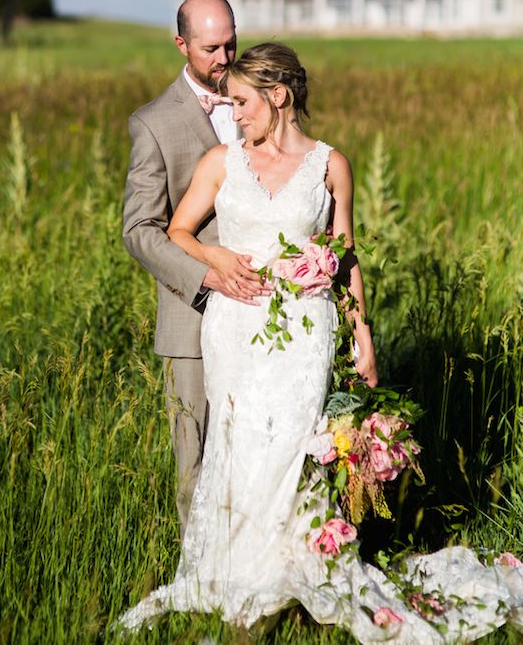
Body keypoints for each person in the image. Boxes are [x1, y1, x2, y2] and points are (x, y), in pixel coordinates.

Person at [117, 44, 523, 641]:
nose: (235, 114)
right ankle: (235, 572)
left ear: (278, 96)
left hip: (307, 330)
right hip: (235, 324)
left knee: (294, 449)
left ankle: (296, 567)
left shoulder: (331, 165)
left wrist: (363, 335)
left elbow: (345, 256)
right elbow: (177, 229)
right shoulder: (219, 161)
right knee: (241, 444)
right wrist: (215, 255)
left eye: (243, 102)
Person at [122, 0, 263, 536]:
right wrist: (206, 275)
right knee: (196, 461)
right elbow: (139, 231)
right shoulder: (154, 123)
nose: (225, 58)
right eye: (211, 48)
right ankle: (198, 577)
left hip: (264, 308)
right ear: (181, 45)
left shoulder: (260, 100)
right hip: (194, 315)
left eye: (231, 42)